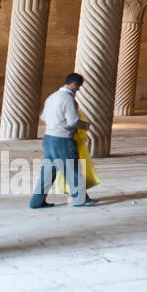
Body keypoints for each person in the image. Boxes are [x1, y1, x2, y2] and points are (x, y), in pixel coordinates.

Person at [28, 73, 97, 208]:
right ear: (75, 84)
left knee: (48, 172)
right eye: (78, 87)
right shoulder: (68, 99)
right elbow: (73, 121)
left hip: (49, 138)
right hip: (62, 140)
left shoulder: (52, 97)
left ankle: (36, 201)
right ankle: (80, 199)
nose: (78, 90)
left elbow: (43, 117)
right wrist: (86, 126)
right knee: (72, 170)